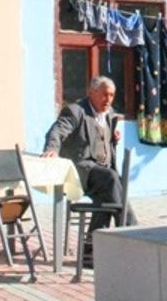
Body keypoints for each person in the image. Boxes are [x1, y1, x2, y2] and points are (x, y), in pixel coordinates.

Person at [43, 77, 137, 259]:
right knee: (111, 180)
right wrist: (52, 149)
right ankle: (131, 234)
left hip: (103, 175)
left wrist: (112, 139)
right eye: (104, 95)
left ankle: (89, 254)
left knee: (108, 195)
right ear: (91, 92)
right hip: (81, 171)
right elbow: (57, 130)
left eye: (111, 95)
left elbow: (100, 138)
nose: (108, 100)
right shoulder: (75, 111)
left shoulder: (110, 114)